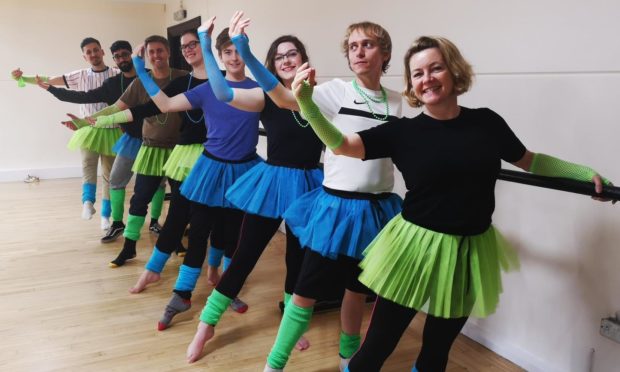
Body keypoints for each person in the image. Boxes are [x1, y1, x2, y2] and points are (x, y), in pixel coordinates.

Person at [292, 35, 613, 372]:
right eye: (417, 74)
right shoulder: (402, 132)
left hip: (467, 252)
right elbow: (341, 145)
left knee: (435, 353)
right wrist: (307, 104)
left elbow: (531, 161)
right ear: (412, 85)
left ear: (453, 71)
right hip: (412, 251)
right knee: (376, 350)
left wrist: (584, 174)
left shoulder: (487, 123)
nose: (427, 78)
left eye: (435, 68)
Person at [221, 13, 403, 371]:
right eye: (353, 46)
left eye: (367, 44)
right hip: (337, 207)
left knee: (357, 288)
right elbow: (286, 98)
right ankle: (274, 364)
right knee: (305, 290)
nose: (359, 52)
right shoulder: (336, 91)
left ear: (384, 52)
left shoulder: (397, 101)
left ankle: (347, 357)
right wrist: (246, 51)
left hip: (380, 209)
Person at [185, 16, 323, 363]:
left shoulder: (321, 97)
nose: (287, 60)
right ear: (272, 65)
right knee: (246, 253)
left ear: (303, 58)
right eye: (279, 57)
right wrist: (205, 42)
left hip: (310, 185)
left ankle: (293, 328)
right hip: (274, 183)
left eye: (293, 54)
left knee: (297, 258)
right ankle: (207, 323)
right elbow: (221, 92)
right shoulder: (266, 96)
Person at [124, 24, 262, 329]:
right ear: (220, 56)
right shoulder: (207, 89)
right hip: (210, 169)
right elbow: (166, 104)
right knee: (198, 230)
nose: (234, 57)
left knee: (232, 235)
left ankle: (228, 287)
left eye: (239, 51)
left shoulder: (258, 89)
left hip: (244, 171)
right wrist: (141, 71)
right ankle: (183, 293)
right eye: (228, 52)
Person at [35, 40, 166, 244]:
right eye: (118, 56)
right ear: (113, 59)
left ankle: (155, 222)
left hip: (156, 140)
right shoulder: (112, 84)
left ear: (132, 55)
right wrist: (52, 90)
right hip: (131, 140)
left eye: (125, 54)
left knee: (158, 184)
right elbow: (83, 97)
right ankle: (116, 222)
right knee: (115, 180)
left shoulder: (149, 76)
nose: (122, 59)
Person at [87, 35, 187, 267]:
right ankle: (129, 247)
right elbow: (116, 107)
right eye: (151, 52)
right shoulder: (141, 82)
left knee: (180, 202)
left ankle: (176, 243)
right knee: (139, 200)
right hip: (150, 149)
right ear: (146, 56)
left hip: (179, 150)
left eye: (160, 50)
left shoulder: (183, 78)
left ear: (168, 53)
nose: (156, 56)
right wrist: (89, 120)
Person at [11, 37, 120, 229]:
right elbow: (46, 80)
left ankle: (106, 215)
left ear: (102, 52)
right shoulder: (79, 75)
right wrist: (21, 78)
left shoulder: (117, 74)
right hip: (88, 130)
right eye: (88, 52)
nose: (93, 54)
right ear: (84, 57)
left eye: (96, 50)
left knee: (109, 175)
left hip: (113, 130)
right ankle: (87, 202)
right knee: (88, 166)